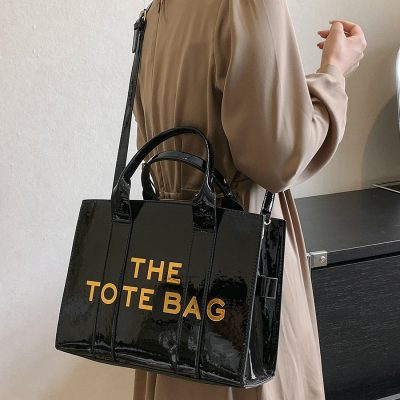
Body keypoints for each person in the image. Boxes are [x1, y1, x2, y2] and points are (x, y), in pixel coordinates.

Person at [131, 0, 367, 399]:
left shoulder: (157, 9)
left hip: (172, 266)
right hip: (240, 262)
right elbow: (279, 157)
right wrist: (333, 73)